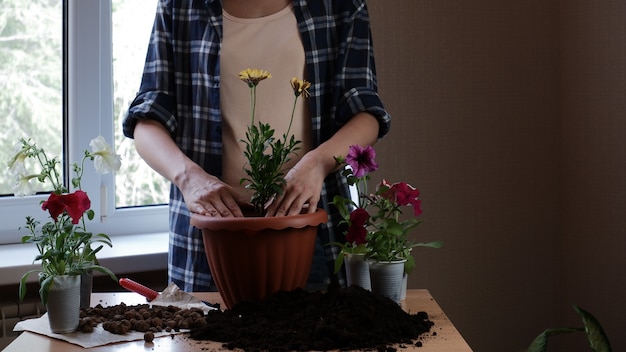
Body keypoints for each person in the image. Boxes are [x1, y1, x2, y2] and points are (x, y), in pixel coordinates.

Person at [123, 0, 391, 292]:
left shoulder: (341, 6)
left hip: (309, 230)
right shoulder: (180, 6)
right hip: (209, 236)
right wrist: (189, 177)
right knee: (204, 337)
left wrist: (316, 165)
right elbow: (147, 121)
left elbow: (365, 113)